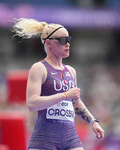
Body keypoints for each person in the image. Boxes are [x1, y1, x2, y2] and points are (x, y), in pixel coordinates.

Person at [12, 18, 104, 150]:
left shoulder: (71, 71)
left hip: (70, 136)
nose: (67, 44)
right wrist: (65, 95)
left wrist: (93, 121)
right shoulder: (39, 68)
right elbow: (32, 103)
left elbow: (76, 103)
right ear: (49, 43)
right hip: (45, 138)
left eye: (69, 39)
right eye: (62, 40)